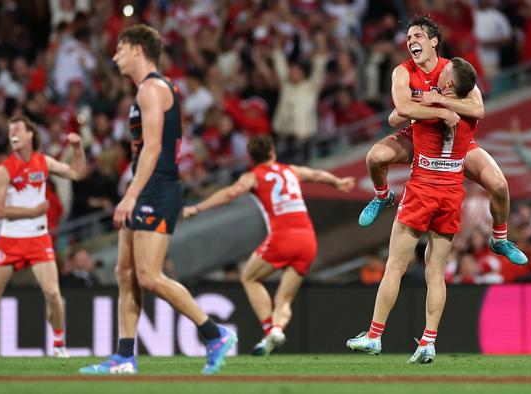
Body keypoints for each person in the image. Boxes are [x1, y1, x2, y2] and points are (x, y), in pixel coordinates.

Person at [80, 25, 235, 375]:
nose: (115, 56)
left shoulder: (151, 88)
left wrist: (130, 195)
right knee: (125, 273)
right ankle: (124, 356)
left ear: (137, 49)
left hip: (156, 188)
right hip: (147, 186)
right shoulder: (148, 89)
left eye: (120, 49)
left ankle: (214, 333)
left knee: (149, 276)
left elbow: (151, 149)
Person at [357, 16, 527, 266]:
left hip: (456, 145)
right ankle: (382, 196)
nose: (411, 41)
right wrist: (439, 111)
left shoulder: (453, 69)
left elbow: (478, 108)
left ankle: (499, 239)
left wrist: (438, 99)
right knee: (375, 156)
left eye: (418, 36)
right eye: (408, 38)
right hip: (420, 138)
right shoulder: (403, 71)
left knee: (500, 185)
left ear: (433, 42)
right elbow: (397, 115)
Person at [347, 55, 479, 364]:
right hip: (451, 192)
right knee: (436, 272)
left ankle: (374, 335)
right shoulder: (471, 111)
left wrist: (425, 101)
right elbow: (475, 106)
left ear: (447, 83)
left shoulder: (427, 104)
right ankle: (429, 342)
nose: (439, 71)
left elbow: (395, 118)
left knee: (395, 265)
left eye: (444, 71)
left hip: (423, 189)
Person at [183, 135, 354, 356]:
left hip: (282, 236)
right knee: (284, 299)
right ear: (272, 152)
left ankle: (267, 327)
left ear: (251, 157)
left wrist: (197, 209)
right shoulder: (290, 169)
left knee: (249, 277)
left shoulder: (254, 175)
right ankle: (276, 330)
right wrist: (337, 183)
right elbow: (316, 174)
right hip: (308, 239)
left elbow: (231, 192)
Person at [0, 115, 87, 357]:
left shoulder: (43, 162)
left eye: (17, 129)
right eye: (10, 131)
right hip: (10, 240)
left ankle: (58, 344)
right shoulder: (5, 170)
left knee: (53, 293)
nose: (12, 133)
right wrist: (32, 212)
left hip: (38, 239)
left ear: (30, 135)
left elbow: (78, 174)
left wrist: (78, 148)